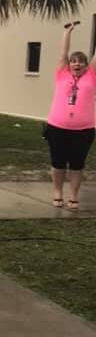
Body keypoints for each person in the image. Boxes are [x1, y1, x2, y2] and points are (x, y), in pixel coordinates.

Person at [44, 22, 96, 210]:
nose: (77, 64)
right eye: (73, 61)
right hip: (57, 127)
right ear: (69, 64)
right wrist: (67, 32)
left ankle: (73, 196)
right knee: (58, 163)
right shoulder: (62, 74)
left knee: (77, 165)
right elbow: (63, 53)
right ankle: (57, 193)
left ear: (86, 65)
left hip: (83, 130)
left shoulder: (92, 76)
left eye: (81, 61)